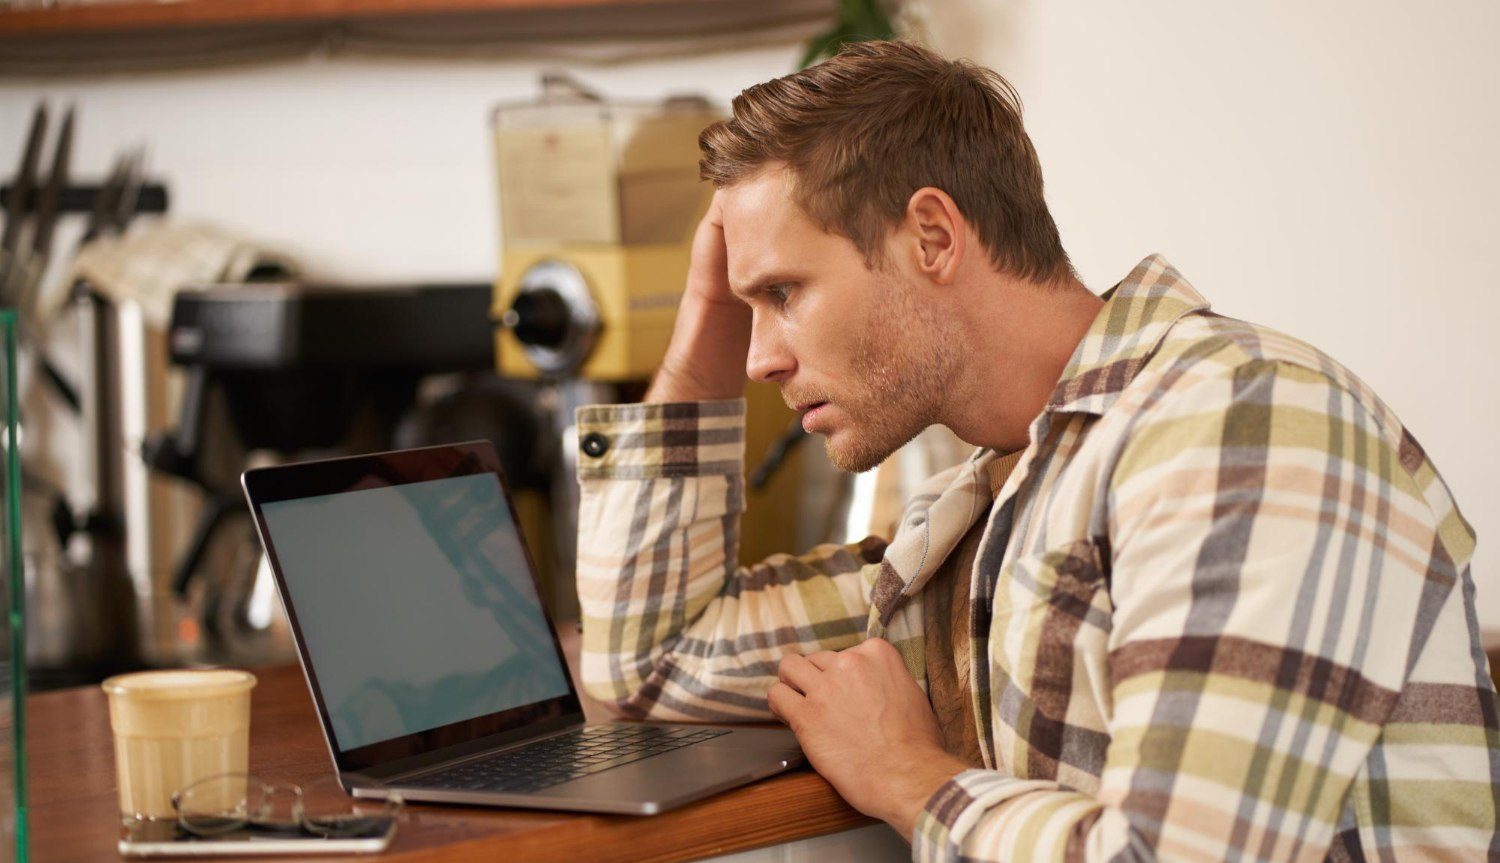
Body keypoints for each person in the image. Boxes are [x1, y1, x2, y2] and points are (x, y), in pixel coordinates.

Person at [572, 40, 1499, 862]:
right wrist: (704, 321)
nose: (760, 359)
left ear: (933, 237)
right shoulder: (985, 508)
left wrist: (906, 775)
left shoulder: (1244, 425)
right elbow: (650, 662)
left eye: (782, 293)